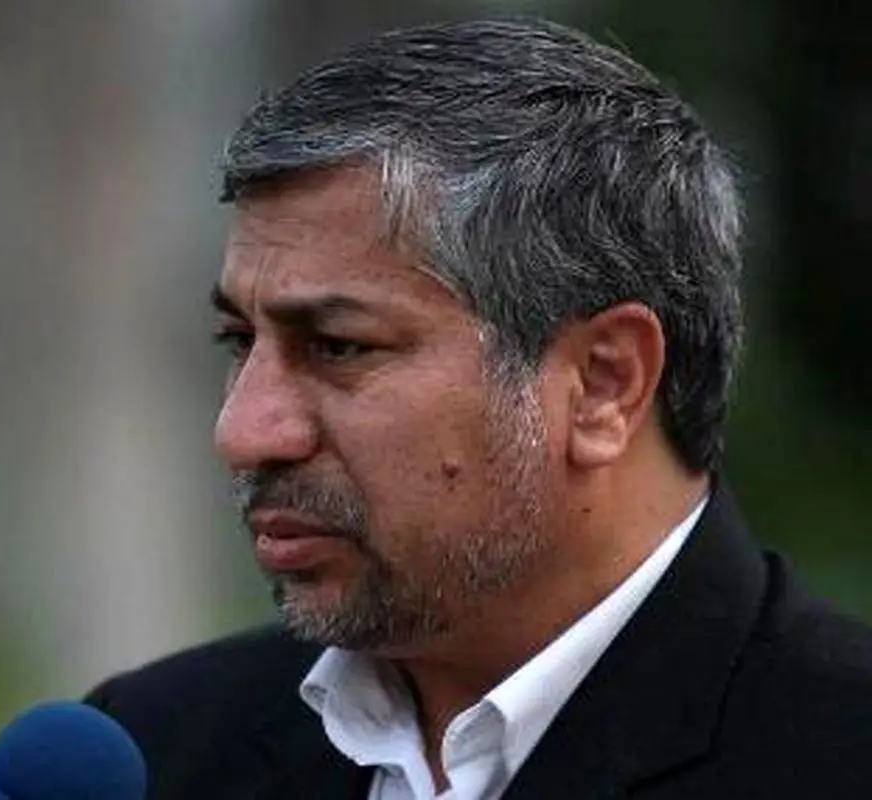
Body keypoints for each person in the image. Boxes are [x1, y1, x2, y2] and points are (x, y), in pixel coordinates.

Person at [85, 18, 872, 800]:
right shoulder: (148, 752)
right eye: (238, 339)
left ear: (604, 384)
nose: (244, 432)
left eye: (339, 346)